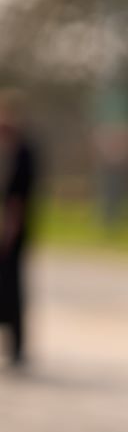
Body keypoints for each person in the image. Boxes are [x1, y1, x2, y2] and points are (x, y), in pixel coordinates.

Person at [0, 89, 36, 369]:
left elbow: (22, 193)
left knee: (13, 287)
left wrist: (12, 225)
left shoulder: (23, 149)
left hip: (15, 226)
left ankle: (17, 347)